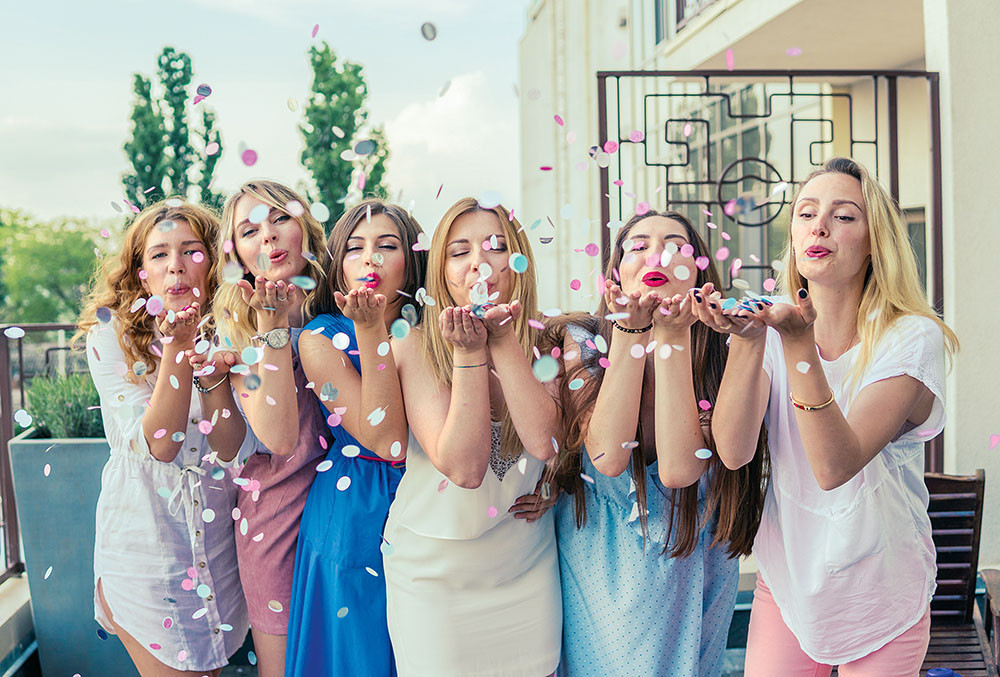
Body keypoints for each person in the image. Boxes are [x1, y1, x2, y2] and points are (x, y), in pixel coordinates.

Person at [697, 157, 958, 676]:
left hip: (882, 591)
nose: (820, 226)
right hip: (790, 582)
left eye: (843, 216)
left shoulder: (911, 337)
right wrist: (747, 342)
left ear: (874, 241)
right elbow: (733, 450)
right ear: (794, 237)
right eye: (807, 213)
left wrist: (798, 345)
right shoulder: (769, 323)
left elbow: (835, 466)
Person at [545, 210, 767, 676]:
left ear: (700, 272)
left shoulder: (729, 351)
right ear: (615, 274)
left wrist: (672, 335)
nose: (657, 255)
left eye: (674, 245)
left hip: (692, 563)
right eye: (639, 246)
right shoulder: (584, 339)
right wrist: (631, 331)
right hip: (598, 561)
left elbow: (679, 469)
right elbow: (607, 456)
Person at [383, 197, 562, 676]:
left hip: (525, 566)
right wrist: (469, 353)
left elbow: (546, 445)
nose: (478, 263)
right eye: (459, 252)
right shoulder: (413, 342)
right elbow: (464, 469)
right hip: (434, 576)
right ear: (441, 272)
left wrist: (555, 482)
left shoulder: (548, 341)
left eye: (496, 247)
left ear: (519, 262)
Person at [79, 199, 255, 676]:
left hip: (216, 549)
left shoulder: (235, 329)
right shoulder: (111, 337)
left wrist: (214, 376)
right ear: (142, 276)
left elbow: (232, 449)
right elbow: (161, 444)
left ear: (213, 263)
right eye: (159, 254)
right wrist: (178, 346)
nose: (175, 265)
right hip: (146, 548)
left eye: (191, 251)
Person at [283, 198, 427, 676]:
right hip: (355, 508)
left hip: (434, 496)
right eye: (355, 248)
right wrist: (371, 330)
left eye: (387, 245)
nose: (370, 259)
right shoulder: (319, 339)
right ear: (338, 265)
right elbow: (384, 440)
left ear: (413, 261)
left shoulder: (437, 329)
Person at [204, 180, 330, 676]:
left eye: (280, 219)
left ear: (305, 228)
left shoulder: (341, 310)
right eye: (250, 230)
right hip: (276, 524)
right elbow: (279, 437)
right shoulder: (236, 333)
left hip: (350, 513)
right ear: (236, 253)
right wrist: (271, 328)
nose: (269, 236)